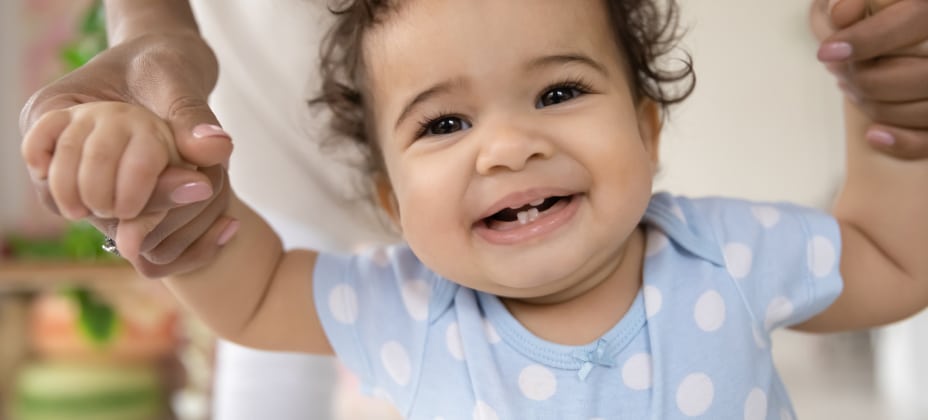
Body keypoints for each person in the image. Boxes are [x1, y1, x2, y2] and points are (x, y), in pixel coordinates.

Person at [21, 0, 928, 418]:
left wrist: (887, 110)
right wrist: (168, 185)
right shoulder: (415, 306)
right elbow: (254, 297)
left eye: (560, 92)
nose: (507, 147)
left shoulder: (721, 256)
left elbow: (892, 261)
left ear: (649, 130)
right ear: (390, 200)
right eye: (445, 121)